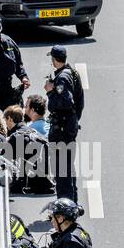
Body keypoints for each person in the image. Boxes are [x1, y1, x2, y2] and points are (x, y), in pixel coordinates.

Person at [44, 45, 83, 201]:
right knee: (67, 166)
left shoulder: (62, 78)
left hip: (62, 128)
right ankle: (72, 202)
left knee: (61, 168)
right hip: (69, 125)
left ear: (54, 59)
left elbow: (66, 102)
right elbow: (79, 103)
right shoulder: (73, 72)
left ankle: (64, 206)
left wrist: (50, 91)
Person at [4, 105, 53, 194]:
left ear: (10, 119)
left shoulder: (16, 136)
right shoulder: (32, 131)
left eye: (6, 120)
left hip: (30, 184)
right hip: (44, 183)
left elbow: (2, 156)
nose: (6, 124)